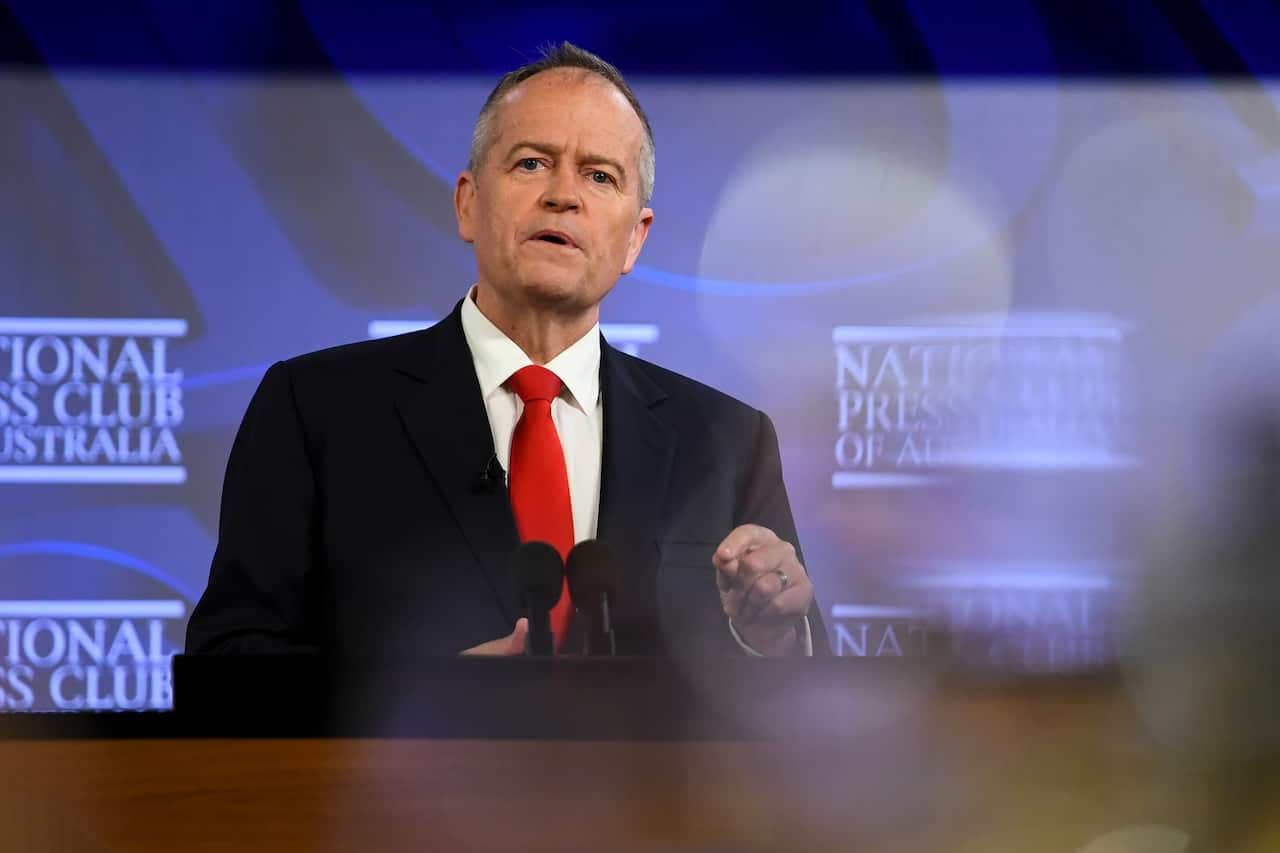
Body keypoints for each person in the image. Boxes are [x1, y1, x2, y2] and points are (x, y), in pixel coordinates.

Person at [185, 42, 828, 658]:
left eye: (600, 175)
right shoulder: (315, 411)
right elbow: (231, 663)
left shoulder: (727, 441)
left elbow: (810, 707)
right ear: (468, 204)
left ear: (636, 238)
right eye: (530, 163)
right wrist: (429, 703)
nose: (563, 194)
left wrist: (772, 642)